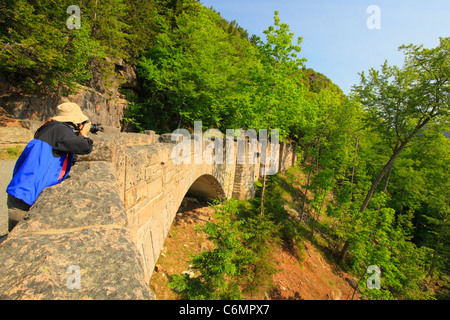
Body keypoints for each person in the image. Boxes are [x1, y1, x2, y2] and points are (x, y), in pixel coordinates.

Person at [6, 102, 94, 232]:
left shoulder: (48, 129)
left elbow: (70, 157)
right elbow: (86, 147)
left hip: (23, 192)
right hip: (27, 196)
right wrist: (84, 133)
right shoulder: (60, 130)